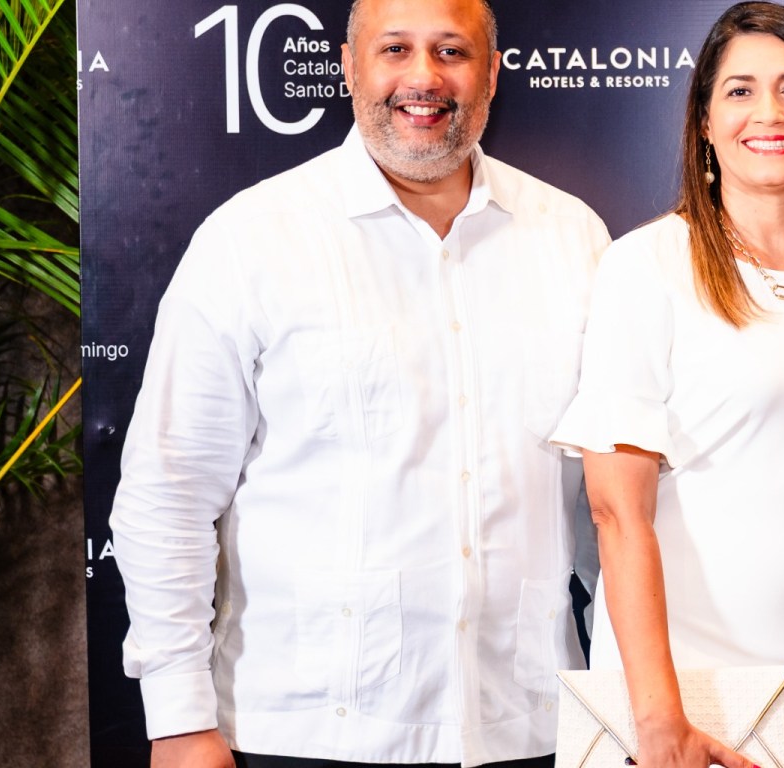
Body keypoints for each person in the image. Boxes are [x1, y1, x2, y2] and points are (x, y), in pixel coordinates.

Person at [110, 0, 610, 765]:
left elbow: (613, 508)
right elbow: (167, 493)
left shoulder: (573, 238)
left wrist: (634, 699)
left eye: (452, 51)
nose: (423, 77)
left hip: (530, 727)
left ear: (492, 74)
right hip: (302, 735)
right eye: (395, 49)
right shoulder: (251, 239)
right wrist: (179, 720)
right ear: (348, 66)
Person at [546, 4, 784, 767]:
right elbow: (616, 511)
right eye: (740, 90)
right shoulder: (647, 266)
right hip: (692, 682)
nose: (769, 112)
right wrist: (658, 715)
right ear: (704, 123)